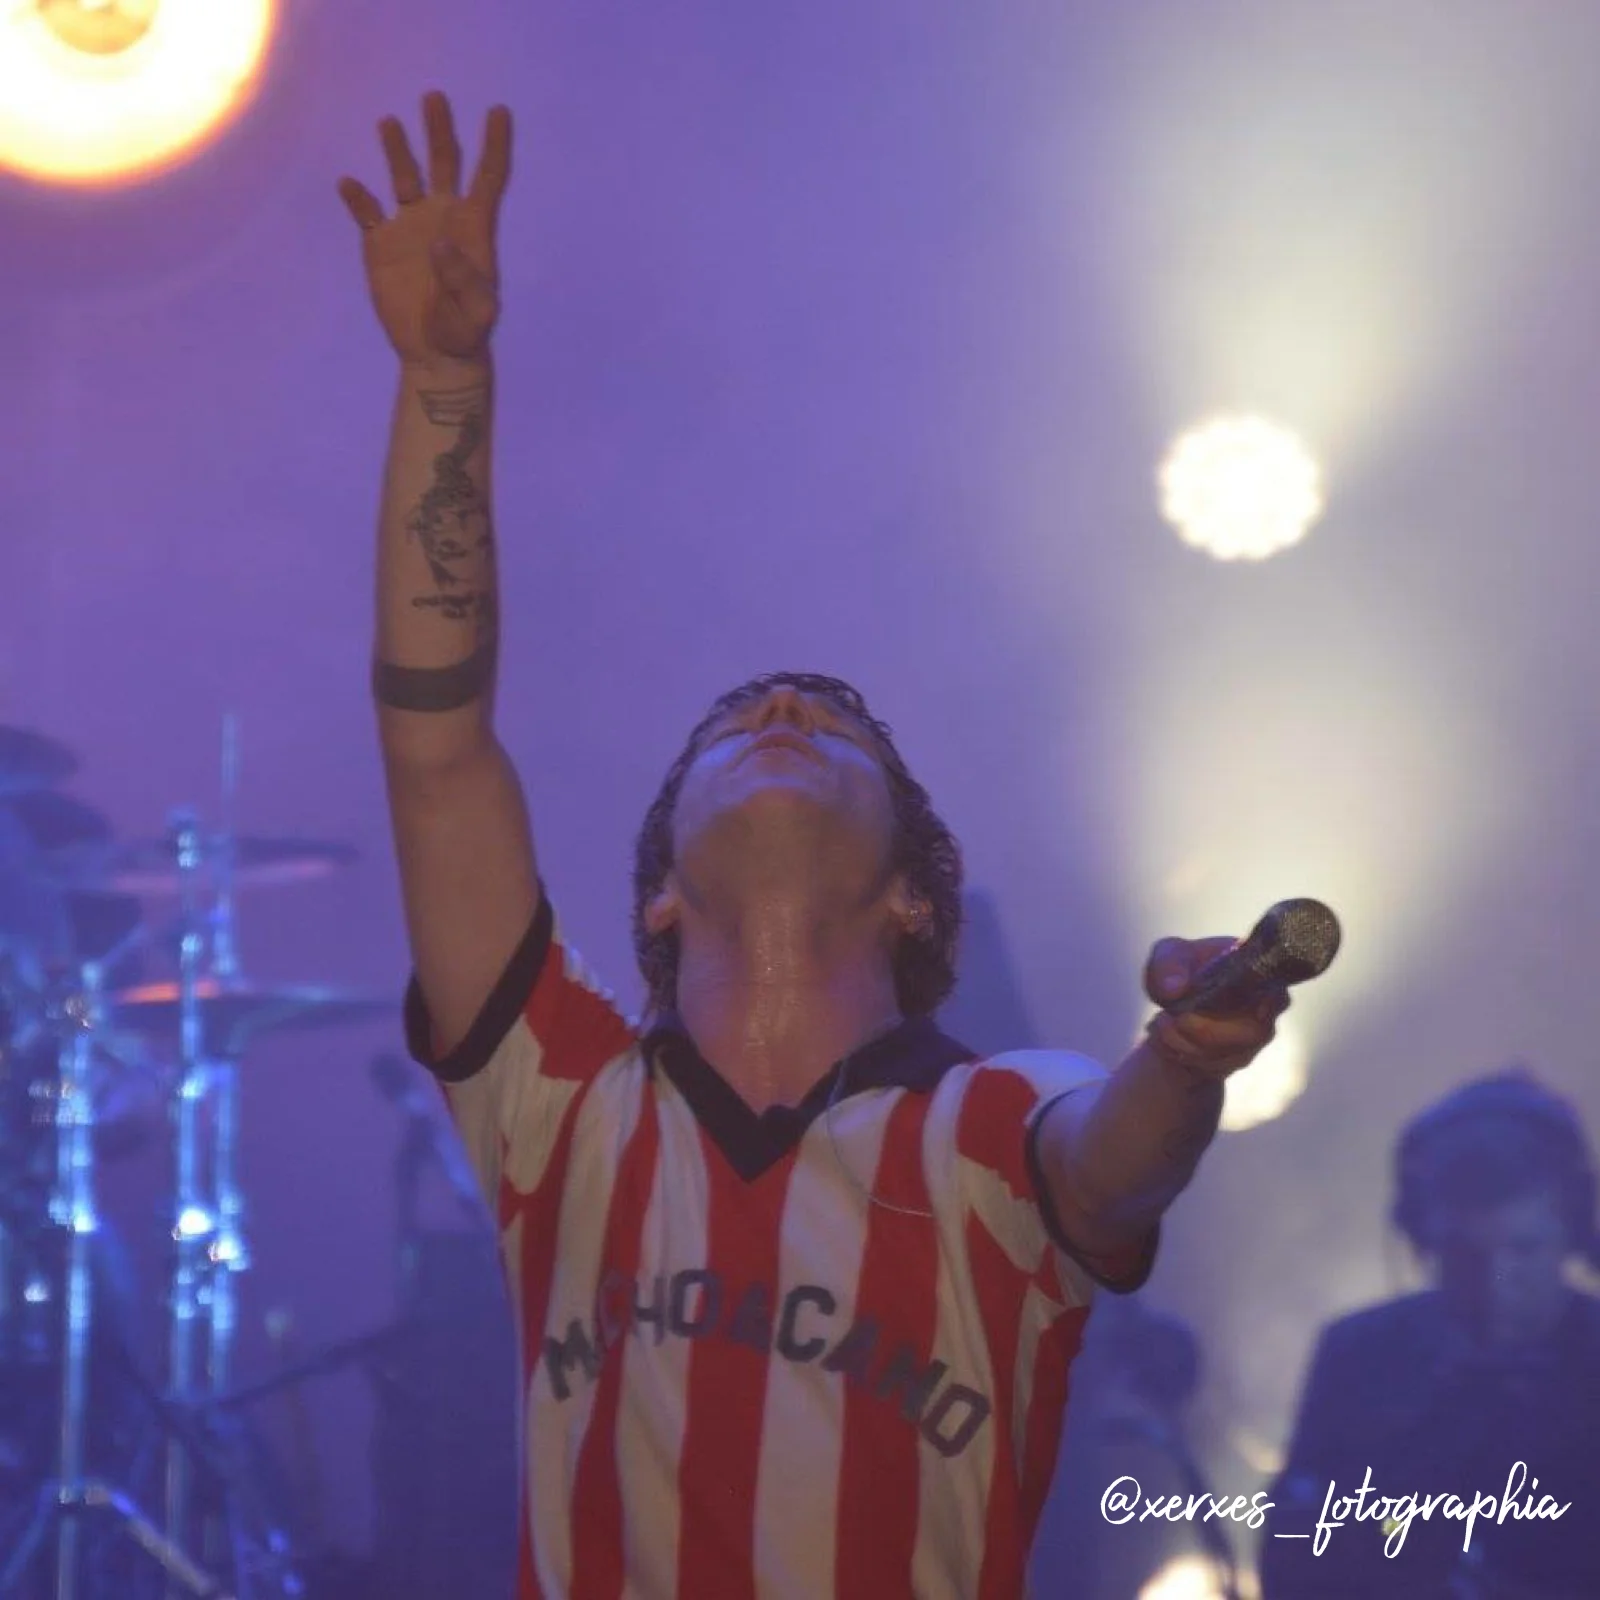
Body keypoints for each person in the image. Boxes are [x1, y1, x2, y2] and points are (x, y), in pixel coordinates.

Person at [339, 91, 1289, 1600]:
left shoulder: (985, 1121)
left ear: (912, 894)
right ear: (661, 894)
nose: (780, 703)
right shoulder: (562, 1102)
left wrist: (1183, 1059)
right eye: (735, 720)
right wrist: (445, 382)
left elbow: (1111, 1170)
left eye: (834, 726)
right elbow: (436, 751)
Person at [1259, 1070, 1600, 1600]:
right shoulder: (1358, 1357)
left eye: (1523, 1250)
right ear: (1422, 1239)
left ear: (1573, 1233)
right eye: (1465, 1256)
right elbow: (1290, 1555)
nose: (1496, 1283)